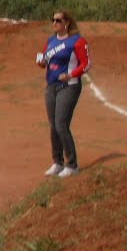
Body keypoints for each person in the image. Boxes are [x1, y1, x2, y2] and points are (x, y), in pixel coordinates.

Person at [37, 10, 90, 178]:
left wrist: (71, 74)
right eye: (53, 20)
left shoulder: (77, 41)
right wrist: (41, 62)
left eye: (58, 20)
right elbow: (44, 61)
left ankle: (72, 165)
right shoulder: (50, 41)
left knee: (61, 124)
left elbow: (87, 63)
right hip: (51, 86)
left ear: (67, 22)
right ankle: (57, 162)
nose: (54, 23)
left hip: (68, 86)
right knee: (53, 125)